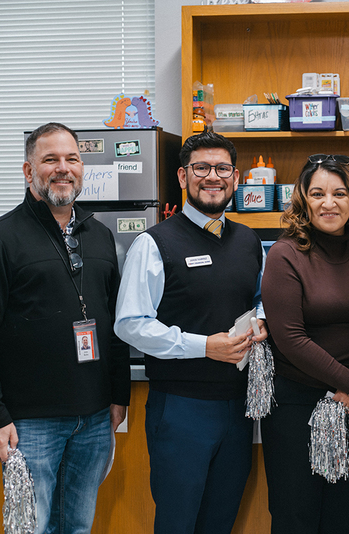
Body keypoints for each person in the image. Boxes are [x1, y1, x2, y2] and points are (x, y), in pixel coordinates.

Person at [0, 122, 130, 533]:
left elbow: (114, 323)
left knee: (77, 526)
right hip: (29, 425)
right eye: (50, 159)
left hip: (93, 419)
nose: (62, 168)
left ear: (82, 167)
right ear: (28, 170)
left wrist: (118, 395)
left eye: (72, 158)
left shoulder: (101, 236)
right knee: (31, 528)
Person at [114, 130, 268, 534]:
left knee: (220, 521)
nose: (212, 177)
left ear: (236, 178)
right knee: (178, 523)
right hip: (181, 408)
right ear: (183, 177)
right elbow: (130, 324)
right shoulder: (154, 243)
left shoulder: (249, 241)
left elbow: (260, 298)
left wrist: (263, 319)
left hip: (238, 408)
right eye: (201, 168)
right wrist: (204, 346)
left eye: (222, 169)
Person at [260, 154, 349, 534]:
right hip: (297, 408)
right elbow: (290, 338)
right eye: (317, 193)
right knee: (294, 518)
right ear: (304, 199)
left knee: (347, 519)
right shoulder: (285, 254)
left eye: (339, 193)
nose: (328, 203)